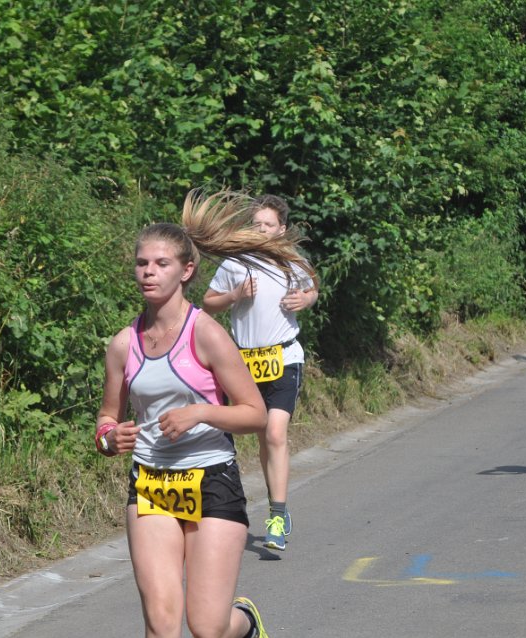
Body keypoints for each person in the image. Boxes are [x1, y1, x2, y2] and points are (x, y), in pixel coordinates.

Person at [96, 190, 305, 637]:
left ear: (186, 270)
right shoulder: (122, 344)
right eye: (142, 263)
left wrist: (200, 413)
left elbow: (255, 415)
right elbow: (106, 418)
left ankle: (245, 623)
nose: (149, 272)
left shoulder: (206, 334)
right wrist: (110, 439)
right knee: (161, 624)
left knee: (208, 627)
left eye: (161, 263)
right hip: (150, 483)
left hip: (211, 480)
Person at [202, 195, 318, 551]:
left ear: (281, 229)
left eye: (268, 224)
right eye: (256, 224)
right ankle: (260, 501)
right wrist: (235, 294)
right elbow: (208, 302)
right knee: (258, 437)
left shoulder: (292, 261)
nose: (261, 229)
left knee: (275, 432)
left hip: (284, 357)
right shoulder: (236, 262)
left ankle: (277, 517)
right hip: (245, 363)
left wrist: (305, 300)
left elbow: (312, 289)